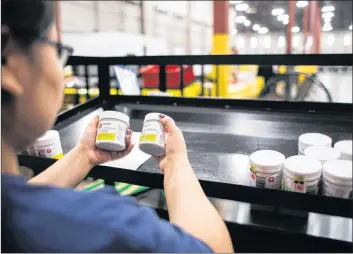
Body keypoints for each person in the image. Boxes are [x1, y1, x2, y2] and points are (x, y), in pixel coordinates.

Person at [1, 1, 233, 253]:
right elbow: (212, 249)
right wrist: (175, 163)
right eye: (58, 51)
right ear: (7, 63)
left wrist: (83, 155)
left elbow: (27, 204)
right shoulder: (107, 228)